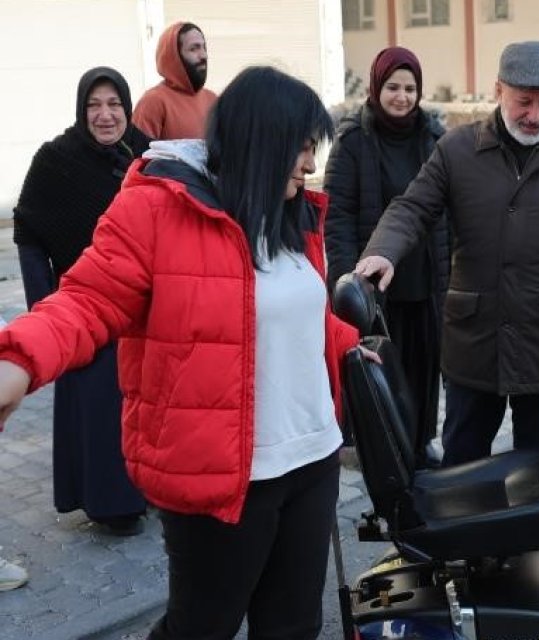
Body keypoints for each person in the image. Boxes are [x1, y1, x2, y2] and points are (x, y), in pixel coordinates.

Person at [0, 66, 367, 639]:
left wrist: (347, 347)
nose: (310, 163)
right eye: (301, 146)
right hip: (220, 475)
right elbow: (87, 300)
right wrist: (17, 361)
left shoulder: (290, 214)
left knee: (293, 627)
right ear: (260, 141)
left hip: (312, 460)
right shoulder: (156, 210)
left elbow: (296, 317)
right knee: (202, 627)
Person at [354, 41, 539, 467]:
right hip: (473, 338)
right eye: (524, 102)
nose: (535, 116)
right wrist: (383, 251)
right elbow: (413, 207)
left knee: (537, 462)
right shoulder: (457, 150)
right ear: (498, 90)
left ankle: (531, 533)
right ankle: (463, 533)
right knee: (463, 456)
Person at [12, 67, 152, 536]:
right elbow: (29, 230)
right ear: (81, 109)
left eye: (114, 104)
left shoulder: (146, 155)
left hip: (144, 309)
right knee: (97, 410)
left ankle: (150, 491)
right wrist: (42, 305)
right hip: (85, 308)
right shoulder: (56, 160)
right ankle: (109, 504)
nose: (105, 115)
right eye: (95, 105)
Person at [325, 46, 448, 464]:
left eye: (410, 88)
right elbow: (338, 215)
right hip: (372, 281)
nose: (402, 96)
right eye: (393, 87)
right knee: (379, 368)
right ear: (377, 87)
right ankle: (381, 447)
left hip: (424, 277)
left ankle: (419, 440)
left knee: (423, 366)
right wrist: (346, 283)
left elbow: (448, 211)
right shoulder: (353, 139)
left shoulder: (434, 138)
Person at [133, 21, 217, 140]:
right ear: (174, 57)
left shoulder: (212, 99)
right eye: (194, 49)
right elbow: (140, 154)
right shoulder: (153, 102)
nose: (204, 56)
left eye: (204, 48)